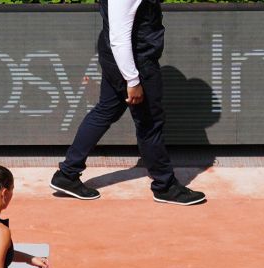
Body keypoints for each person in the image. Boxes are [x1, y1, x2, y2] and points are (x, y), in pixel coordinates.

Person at [50, 0, 206, 206]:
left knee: (106, 111)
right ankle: (165, 186)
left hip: (124, 59)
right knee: (149, 123)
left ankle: (67, 174)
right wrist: (132, 80)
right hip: (134, 63)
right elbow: (119, 37)